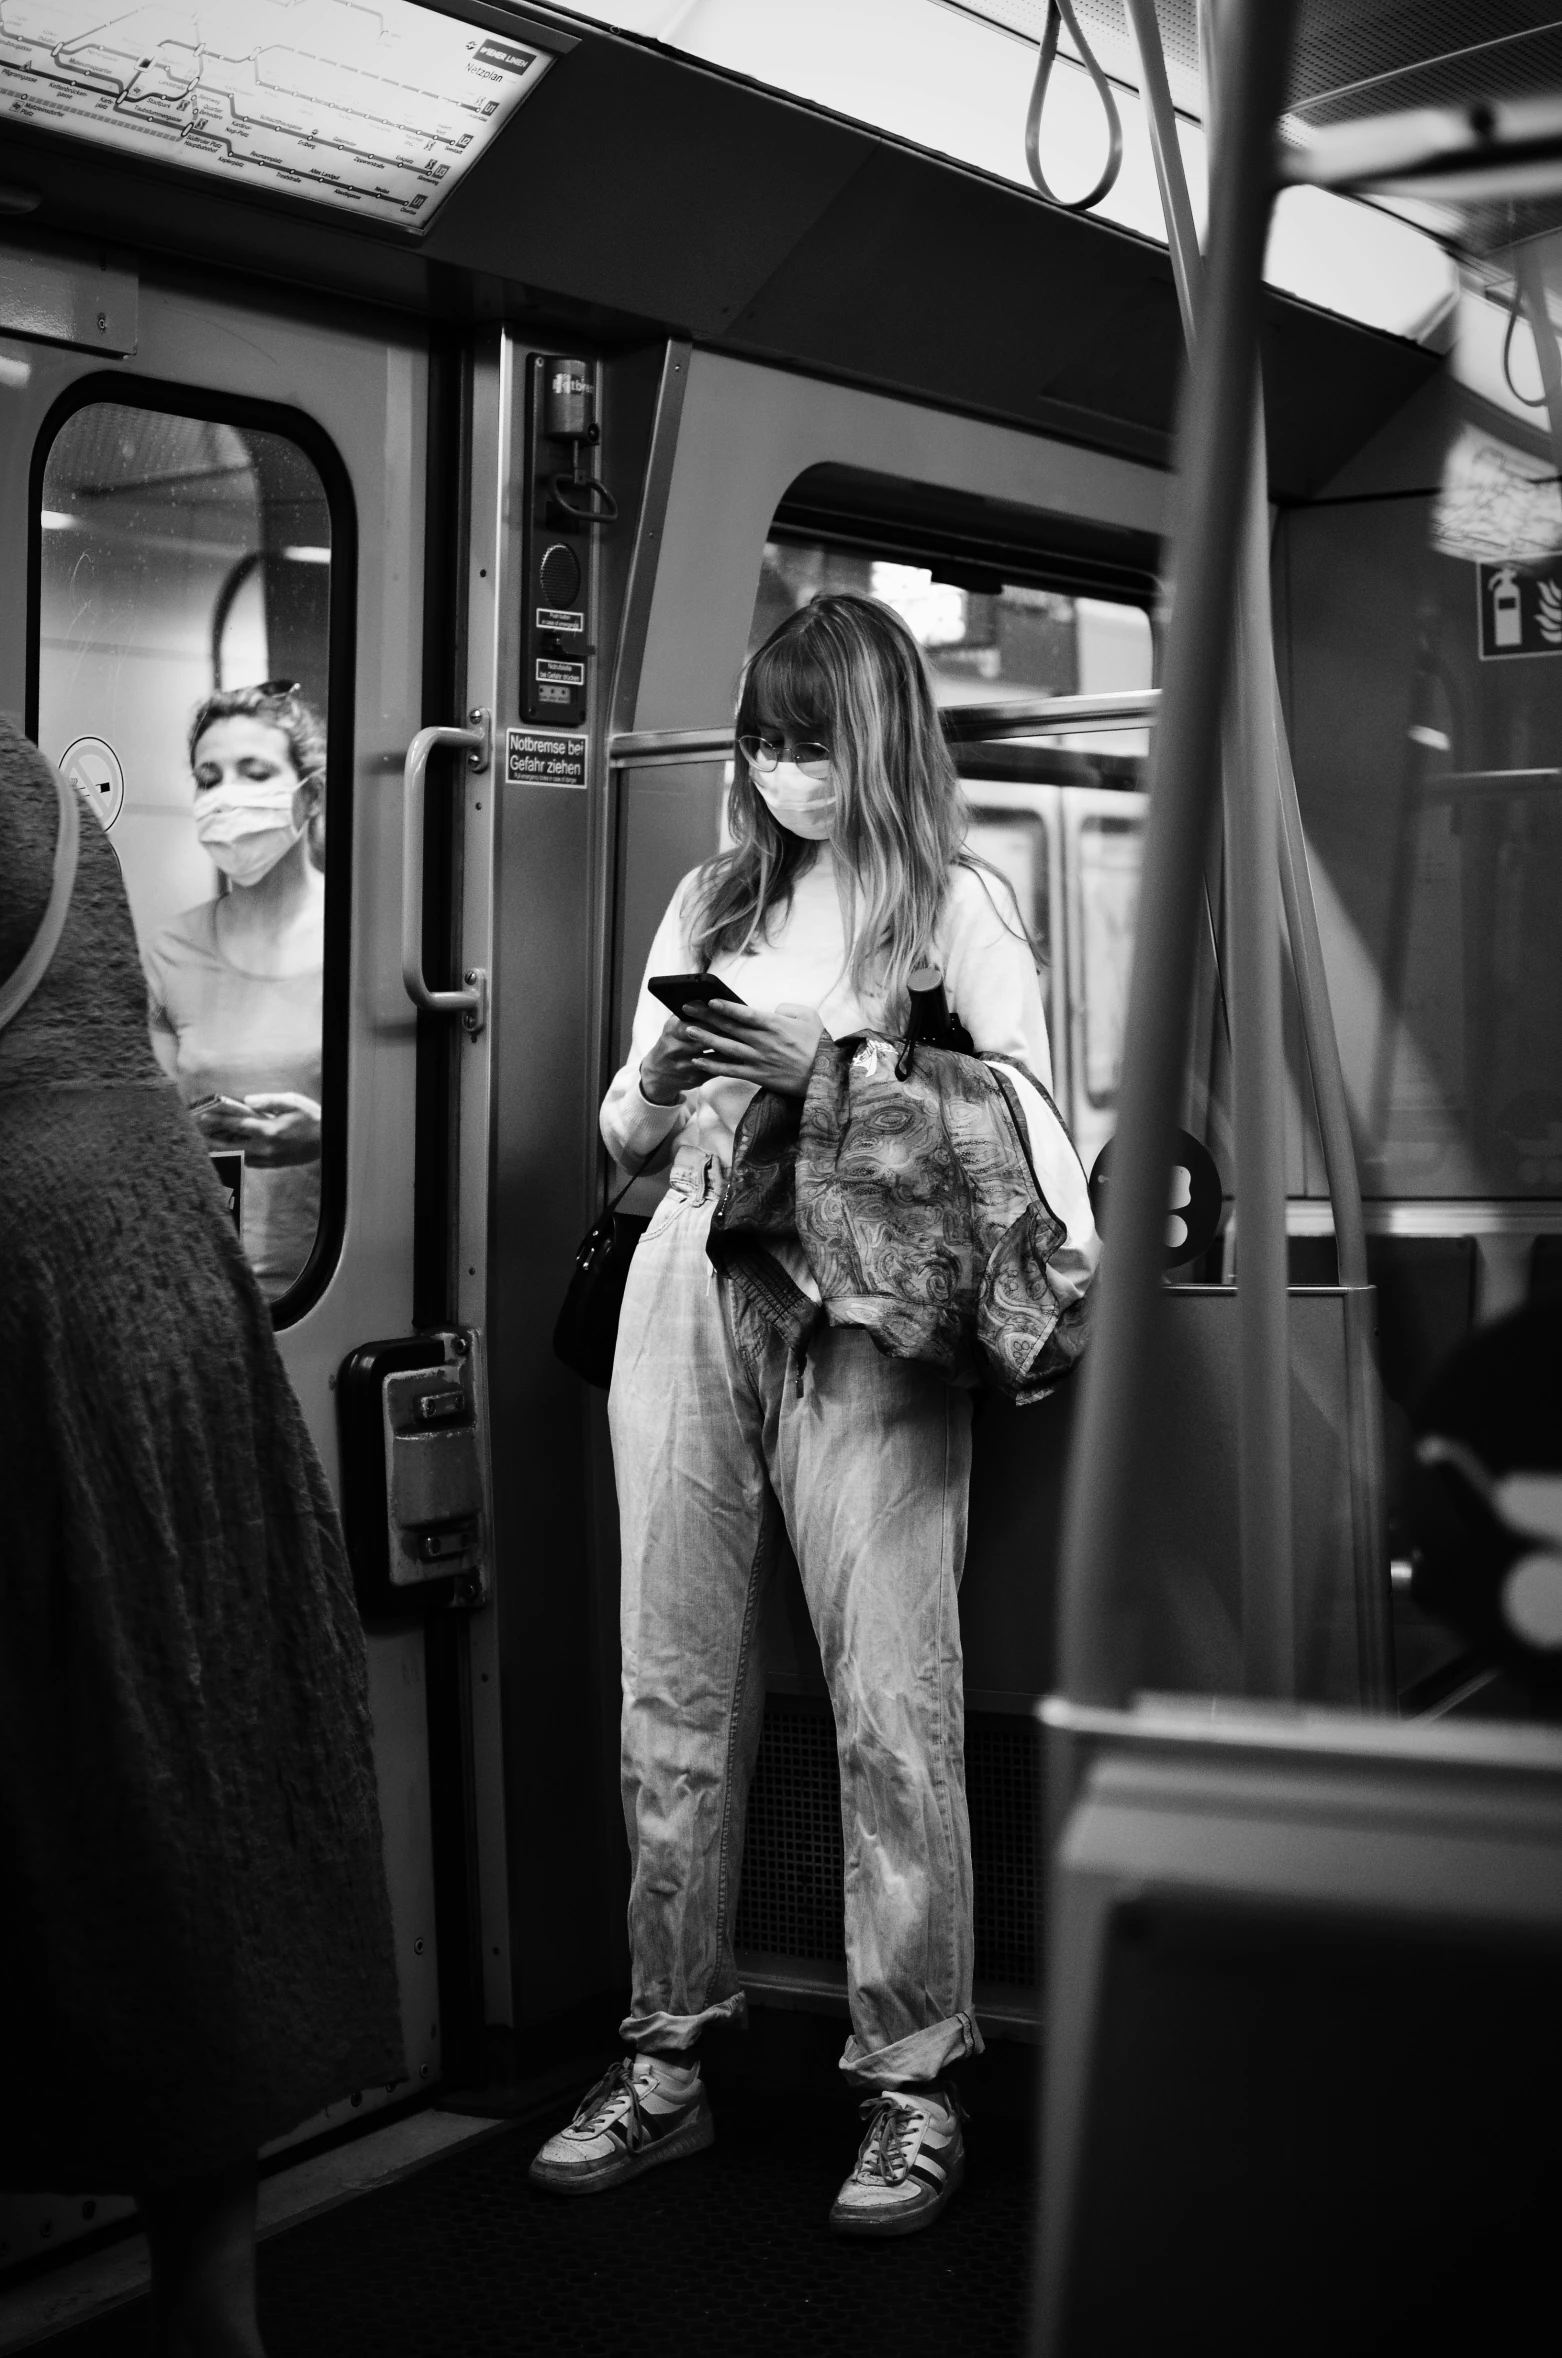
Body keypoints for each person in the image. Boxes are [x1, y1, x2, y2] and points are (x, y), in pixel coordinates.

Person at [532, 593, 1055, 2235]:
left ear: (878, 739)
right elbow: (616, 1121)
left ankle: (909, 2075)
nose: (780, 774)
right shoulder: (713, 893)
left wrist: (831, 1051)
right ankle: (665, 2050)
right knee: (668, 1687)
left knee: (890, 1701)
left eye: (810, 743)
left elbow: (1033, 1144)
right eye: (762, 742)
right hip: (691, 1261)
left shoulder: (954, 909)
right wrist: (675, 1075)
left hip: (864, 1300)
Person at [0, 717, 403, 2355]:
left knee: (59, 1788)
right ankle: (212, 2311)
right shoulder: (39, 782)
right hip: (160, 1251)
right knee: (183, 1783)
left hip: (31, 1266)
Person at [144, 681, 327, 1303]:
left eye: (254, 773)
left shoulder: (368, 943)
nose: (227, 797)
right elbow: (150, 1139)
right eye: (208, 778)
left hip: (332, 1286)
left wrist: (329, 1139)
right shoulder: (171, 949)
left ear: (311, 794)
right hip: (198, 1285)